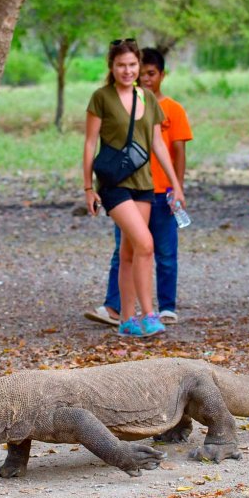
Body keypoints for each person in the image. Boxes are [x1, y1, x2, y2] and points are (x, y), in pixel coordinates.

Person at [83, 39, 186, 338]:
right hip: (114, 184)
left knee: (129, 252)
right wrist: (88, 187)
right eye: (121, 65)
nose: (127, 71)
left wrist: (175, 184)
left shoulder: (147, 98)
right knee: (145, 244)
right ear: (111, 67)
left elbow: (157, 143)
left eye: (132, 65)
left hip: (143, 183)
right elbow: (90, 143)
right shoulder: (101, 97)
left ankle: (127, 321)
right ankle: (149, 314)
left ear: (138, 65)